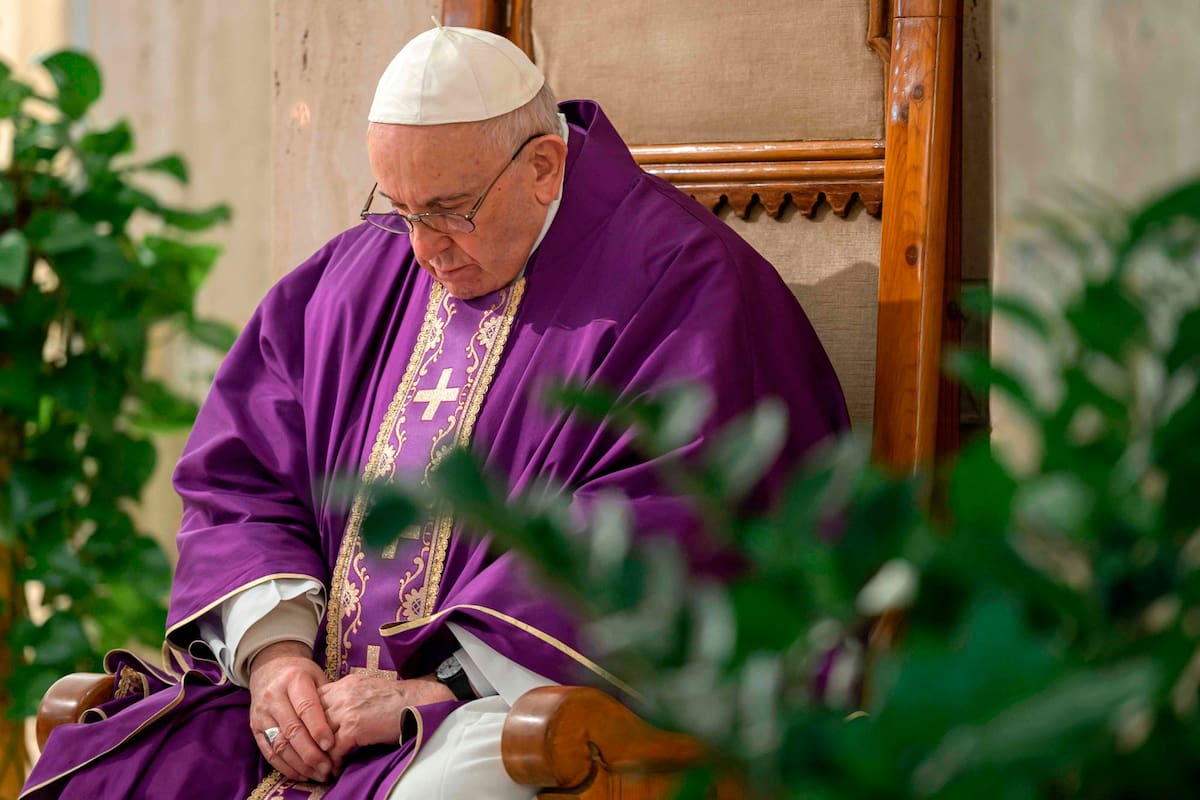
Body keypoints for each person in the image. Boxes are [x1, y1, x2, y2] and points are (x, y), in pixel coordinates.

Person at [23, 22, 848, 800]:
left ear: (544, 169)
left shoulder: (684, 289)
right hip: (320, 711)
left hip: (520, 701)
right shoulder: (359, 276)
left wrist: (437, 686)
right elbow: (243, 477)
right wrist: (277, 662)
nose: (423, 248)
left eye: (451, 209)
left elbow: (669, 529)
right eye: (402, 208)